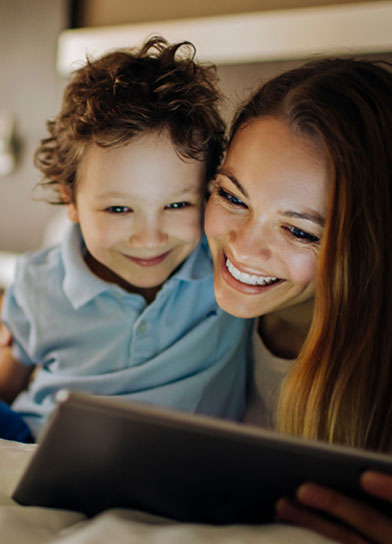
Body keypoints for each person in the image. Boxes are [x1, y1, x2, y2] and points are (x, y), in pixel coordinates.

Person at [204, 57, 392, 544]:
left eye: (300, 232)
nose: (242, 246)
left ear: (370, 250)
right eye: (231, 196)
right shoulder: (174, 291)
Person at [0, 36, 251, 441]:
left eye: (177, 206)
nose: (150, 238)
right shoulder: (37, 283)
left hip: (179, 479)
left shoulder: (231, 270)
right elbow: (7, 390)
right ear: (71, 200)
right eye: (118, 209)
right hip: (44, 451)